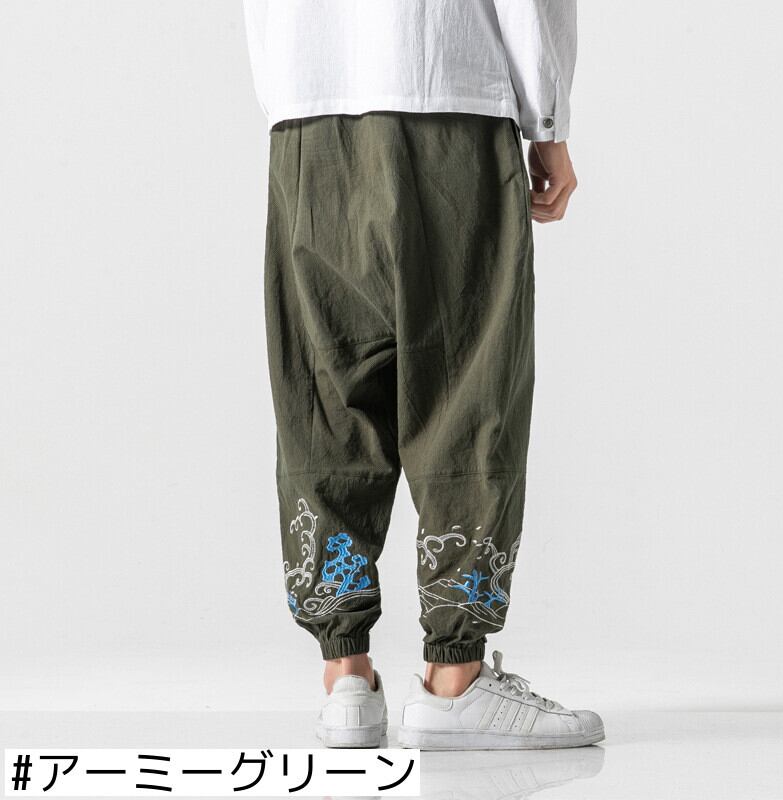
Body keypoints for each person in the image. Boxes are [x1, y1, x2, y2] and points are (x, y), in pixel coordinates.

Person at [243, 0, 603, 750]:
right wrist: (548, 121)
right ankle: (455, 681)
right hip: (447, 92)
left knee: (327, 391)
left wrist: (289, 83)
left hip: (308, 114)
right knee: (468, 388)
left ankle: (345, 676)